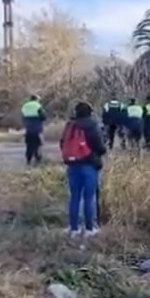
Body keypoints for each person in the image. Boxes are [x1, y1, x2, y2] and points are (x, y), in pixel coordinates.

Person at [60, 102, 107, 238]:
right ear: (90, 112)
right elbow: (100, 147)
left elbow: (62, 143)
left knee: (74, 197)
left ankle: (73, 229)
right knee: (88, 198)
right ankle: (89, 229)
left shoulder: (70, 125)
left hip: (72, 165)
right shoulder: (92, 125)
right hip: (89, 165)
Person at [21, 95, 47, 165]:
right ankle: (38, 160)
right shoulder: (37, 105)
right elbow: (44, 117)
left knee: (29, 145)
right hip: (37, 128)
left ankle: (28, 160)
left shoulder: (25, 106)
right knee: (38, 145)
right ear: (36, 99)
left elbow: (23, 117)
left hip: (28, 129)